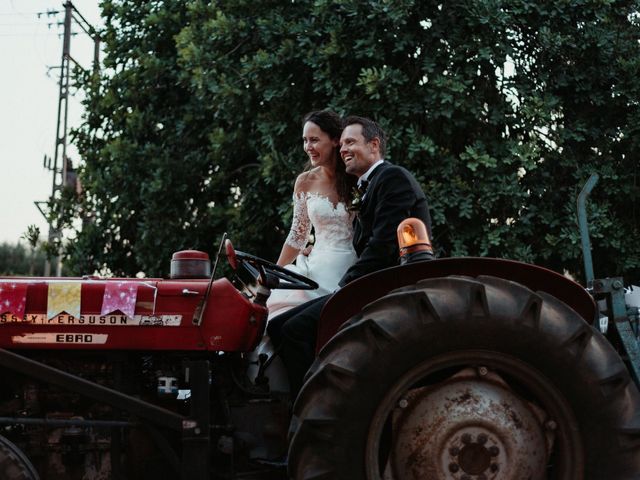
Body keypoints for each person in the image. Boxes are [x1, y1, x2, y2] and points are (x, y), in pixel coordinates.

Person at [268, 115, 432, 396]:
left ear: (374, 145)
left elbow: (382, 247)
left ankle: (316, 404)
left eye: (350, 142)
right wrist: (278, 269)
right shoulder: (365, 183)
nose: (344, 149)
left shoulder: (390, 177)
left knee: (295, 330)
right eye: (343, 143)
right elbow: (300, 236)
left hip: (372, 280)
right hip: (347, 270)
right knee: (278, 326)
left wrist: (346, 288)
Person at [267, 111, 357, 318]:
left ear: (335, 140)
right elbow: (297, 237)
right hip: (315, 266)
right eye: (305, 141)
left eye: (314, 140)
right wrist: (273, 273)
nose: (308, 147)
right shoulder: (304, 181)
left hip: (352, 267)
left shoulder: (358, 177)